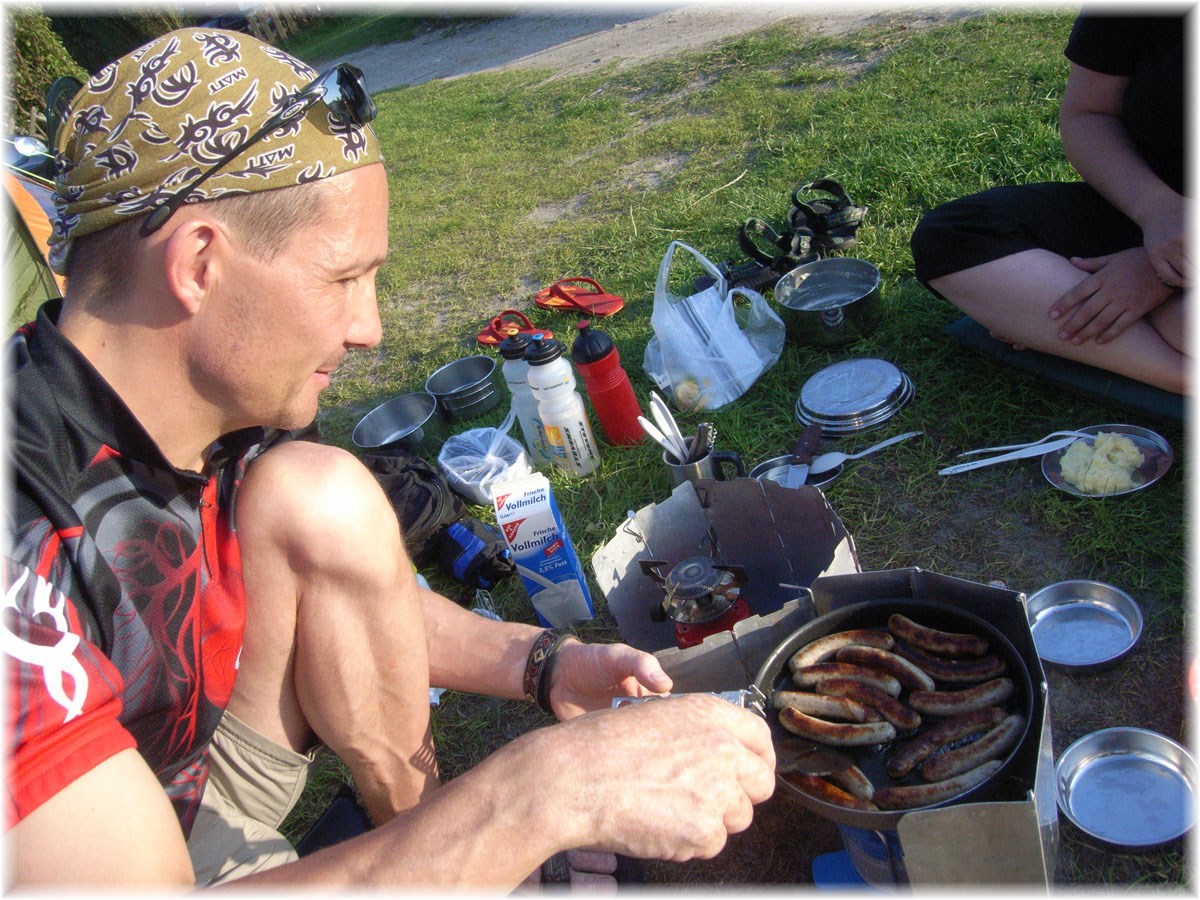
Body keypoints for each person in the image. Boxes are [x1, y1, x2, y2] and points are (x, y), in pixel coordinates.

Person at [5, 28, 775, 889]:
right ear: (198, 262)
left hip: (184, 762)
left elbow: (361, 589)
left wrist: (544, 662)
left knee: (322, 496)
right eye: (341, 280)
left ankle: (428, 848)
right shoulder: (19, 545)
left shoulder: (223, 398)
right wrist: (540, 793)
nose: (369, 328)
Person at [910, 11, 1188, 395]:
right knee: (953, 234)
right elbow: (1090, 113)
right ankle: (1181, 376)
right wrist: (1157, 212)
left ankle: (1058, 323)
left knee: (1186, 325)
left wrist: (1163, 272)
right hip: (1144, 201)